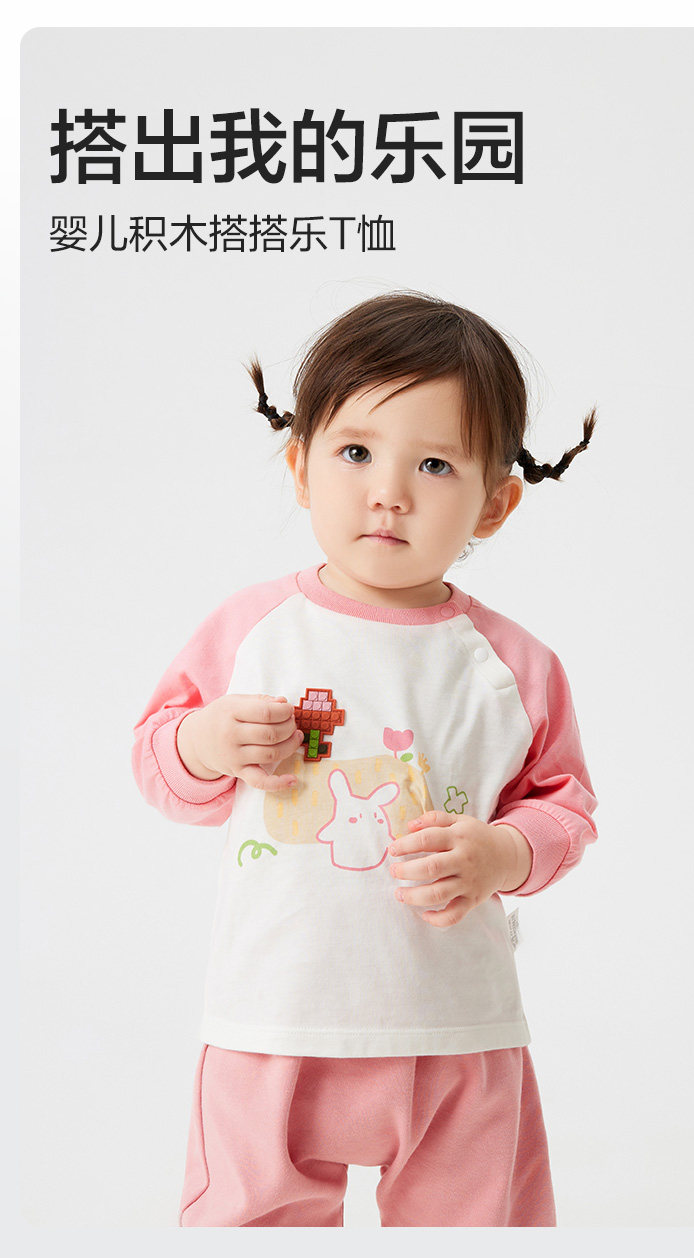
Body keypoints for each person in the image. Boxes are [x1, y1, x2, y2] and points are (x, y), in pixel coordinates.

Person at [132, 290, 599, 1227]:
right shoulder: (253, 632)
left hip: (455, 1030)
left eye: (434, 463)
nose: (389, 491)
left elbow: (565, 808)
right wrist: (205, 741)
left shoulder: (512, 666)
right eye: (356, 453)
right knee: (246, 1225)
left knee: (476, 1226)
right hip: (271, 1021)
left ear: (496, 503)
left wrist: (503, 852)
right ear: (301, 466)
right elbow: (158, 761)